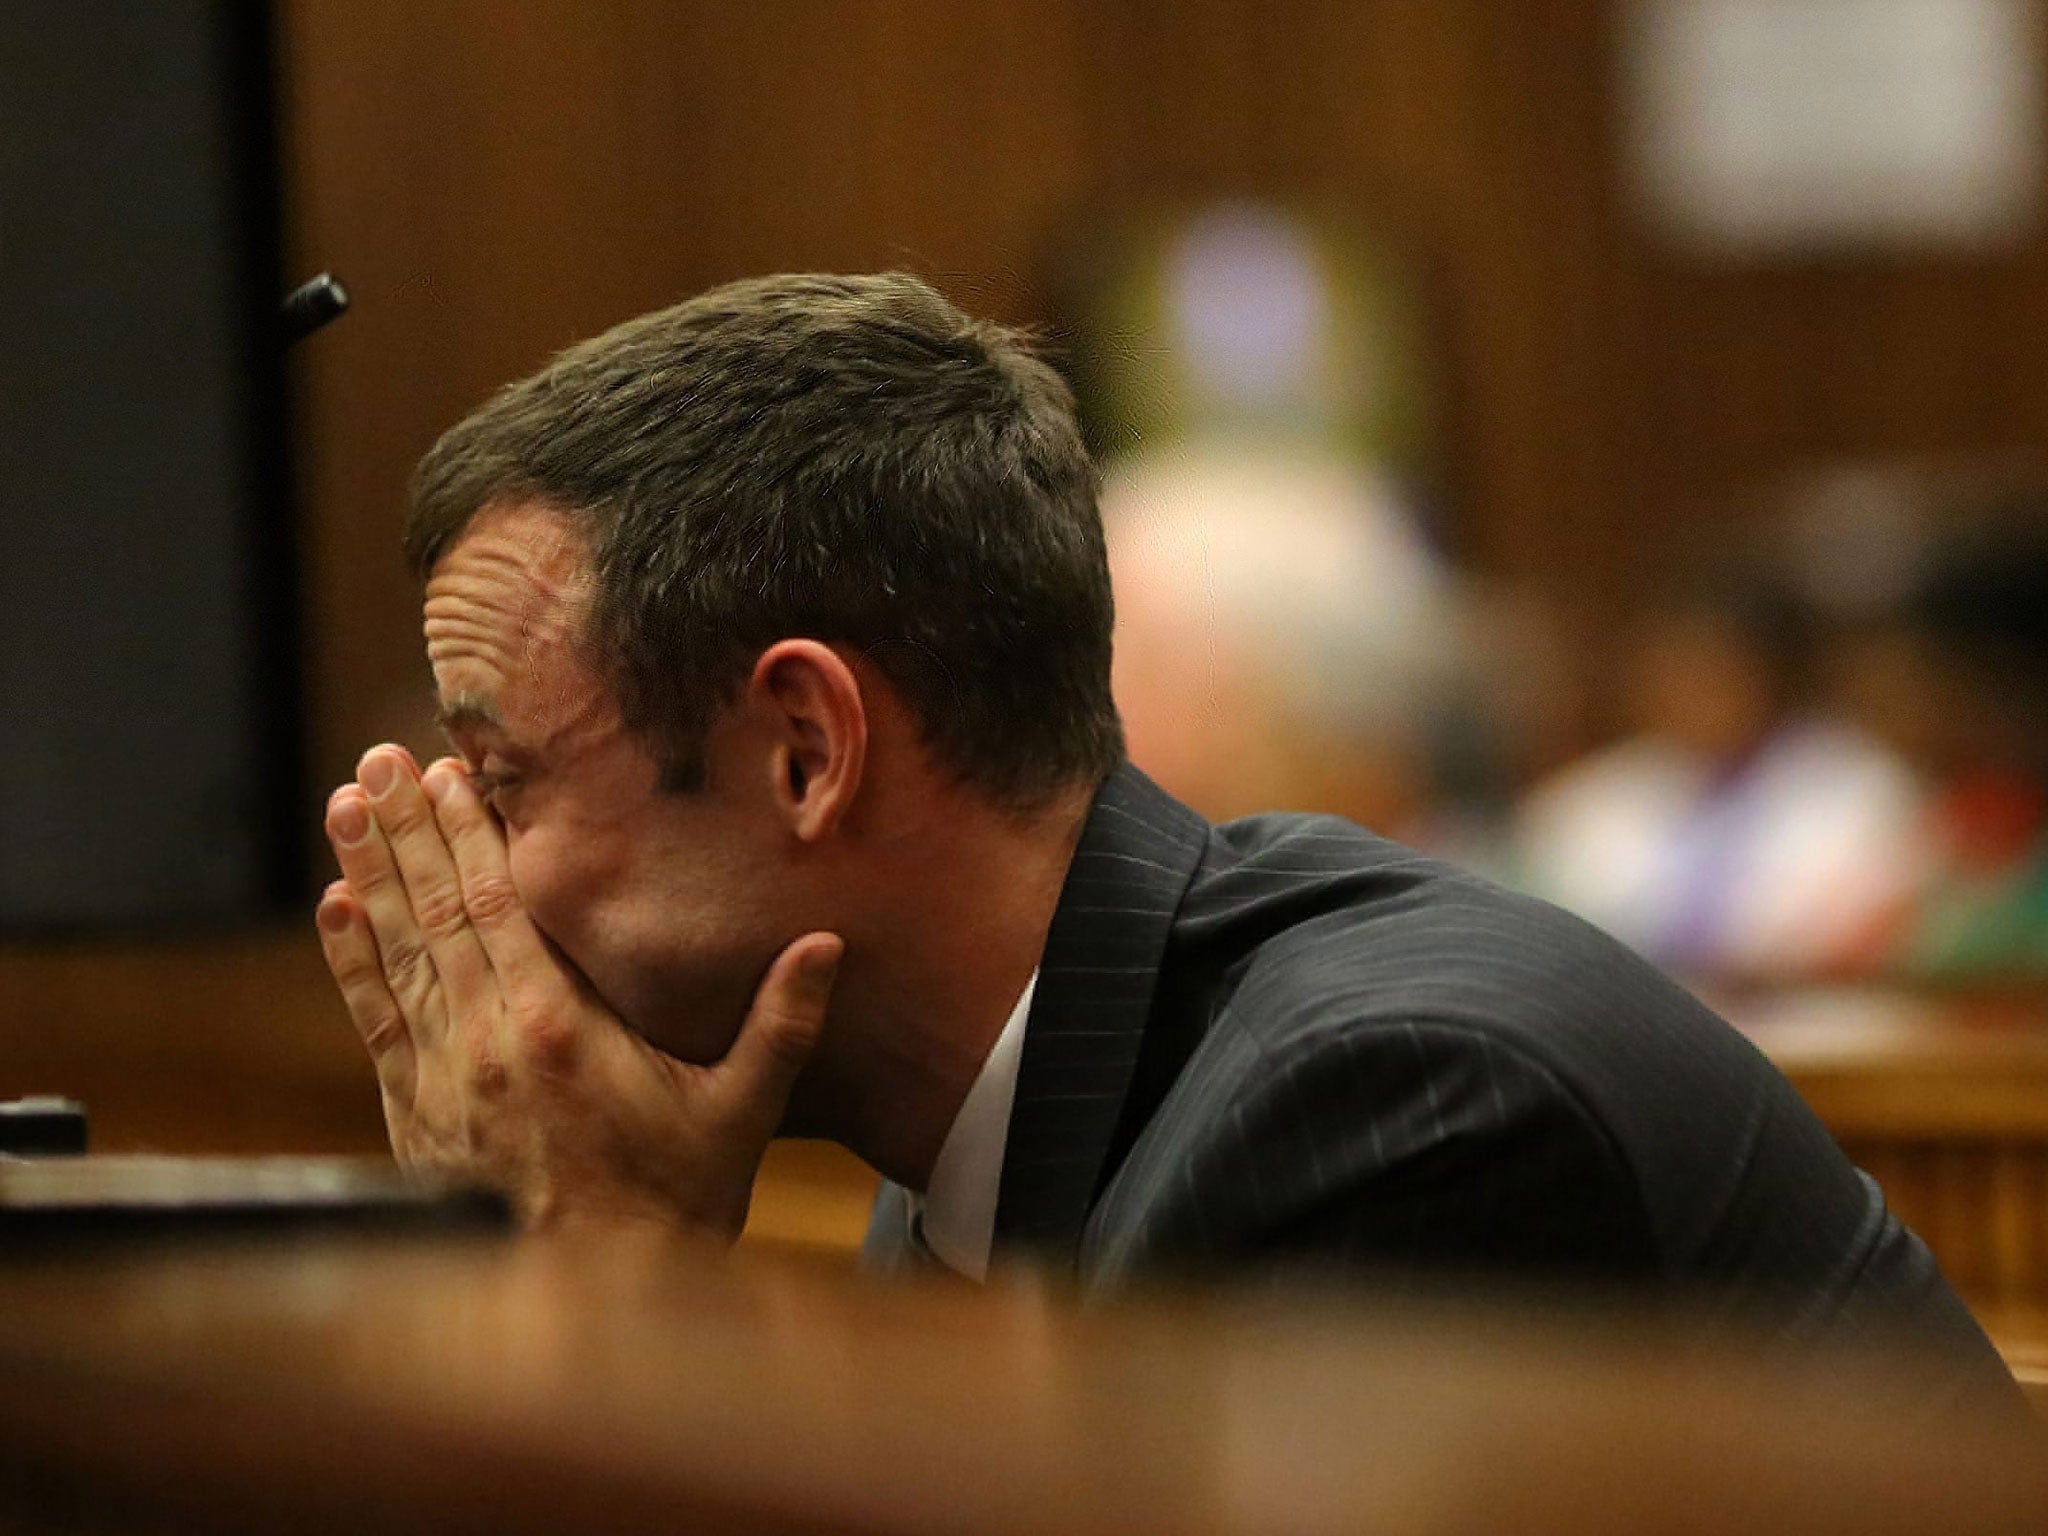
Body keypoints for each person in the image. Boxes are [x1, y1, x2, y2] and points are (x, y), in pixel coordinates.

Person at [315, 273, 2012, 1399]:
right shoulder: (1000, 1126)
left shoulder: (1388, 1114)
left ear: (807, 749)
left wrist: (607, 1322)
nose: (473, 882)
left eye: (508, 783)